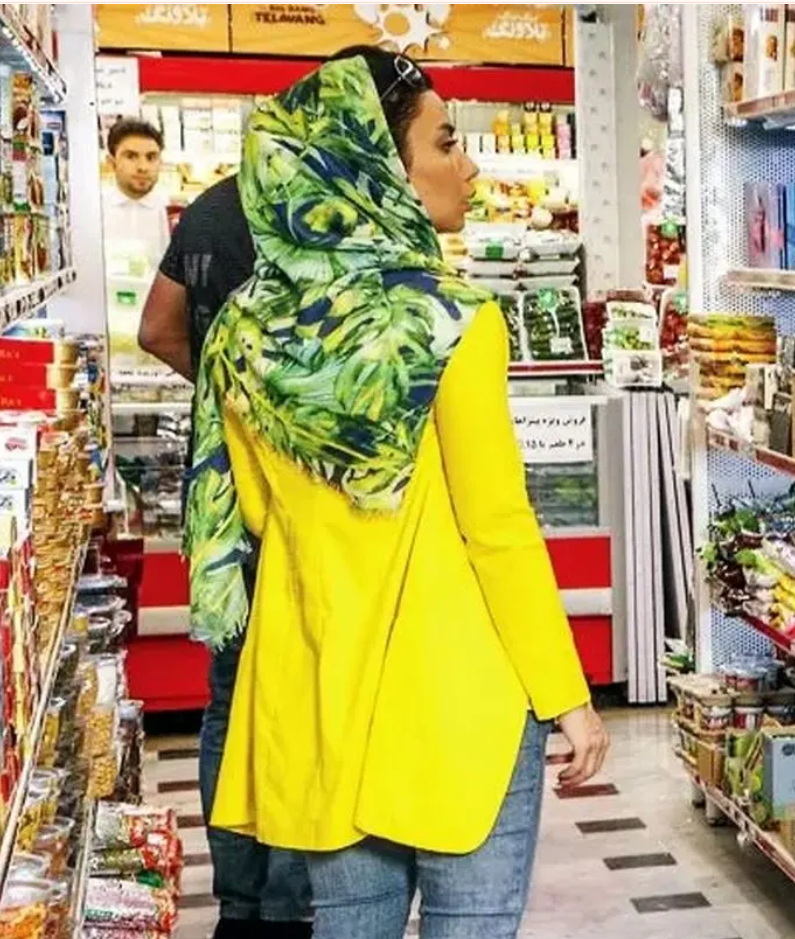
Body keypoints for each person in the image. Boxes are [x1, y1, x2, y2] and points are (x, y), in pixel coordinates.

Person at [184, 48, 609, 939]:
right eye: (446, 142)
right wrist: (566, 695)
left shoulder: (242, 333)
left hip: (318, 688)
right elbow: (497, 529)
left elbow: (254, 514)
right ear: (380, 167)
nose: (469, 166)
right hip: (458, 692)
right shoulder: (454, 322)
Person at [138, 175, 312, 939]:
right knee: (301, 693)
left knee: (228, 696)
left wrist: (223, 392)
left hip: (222, 493)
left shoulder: (210, 208)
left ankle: (240, 903)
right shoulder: (324, 203)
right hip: (300, 493)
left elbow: (156, 328)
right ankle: (288, 902)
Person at [102, 118, 171, 271]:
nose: (143, 167)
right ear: (111, 162)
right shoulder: (93, 214)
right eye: (131, 156)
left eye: (151, 157)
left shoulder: (174, 215)